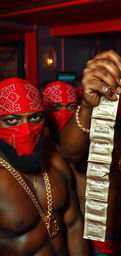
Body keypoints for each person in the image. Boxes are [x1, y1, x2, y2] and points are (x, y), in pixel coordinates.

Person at [60, 62, 121, 256]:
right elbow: (69, 152)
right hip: (87, 242)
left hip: (120, 240)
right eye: (119, 94)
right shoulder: (84, 137)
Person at [0, 77, 90, 255]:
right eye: (12, 120)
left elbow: (74, 225)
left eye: (34, 117)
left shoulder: (55, 163)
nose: (26, 129)